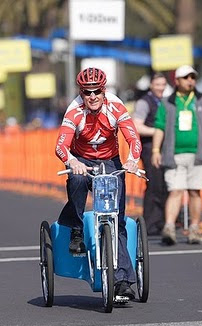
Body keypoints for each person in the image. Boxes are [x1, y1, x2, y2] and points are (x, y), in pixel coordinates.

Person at [55, 67, 142, 299]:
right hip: (82, 159)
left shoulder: (116, 107)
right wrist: (72, 161)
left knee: (117, 219)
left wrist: (132, 160)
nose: (92, 96)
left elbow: (133, 138)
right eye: (86, 92)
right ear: (81, 93)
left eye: (96, 91)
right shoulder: (74, 110)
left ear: (104, 91)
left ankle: (122, 280)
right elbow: (60, 146)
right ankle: (75, 228)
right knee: (77, 179)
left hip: (110, 160)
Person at [152, 65, 202, 245]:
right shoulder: (168, 102)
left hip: (199, 153)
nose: (190, 80)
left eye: (193, 77)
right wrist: (156, 150)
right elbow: (159, 127)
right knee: (175, 191)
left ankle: (195, 228)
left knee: (195, 192)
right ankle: (169, 227)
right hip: (173, 155)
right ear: (177, 81)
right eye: (186, 77)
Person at [133, 72, 168, 235]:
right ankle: (151, 223)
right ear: (151, 86)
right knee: (153, 184)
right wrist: (158, 131)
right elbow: (137, 126)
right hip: (148, 149)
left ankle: (163, 221)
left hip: (163, 148)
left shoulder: (165, 102)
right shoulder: (144, 102)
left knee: (164, 185)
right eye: (158, 84)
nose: (160, 88)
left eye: (163, 85)